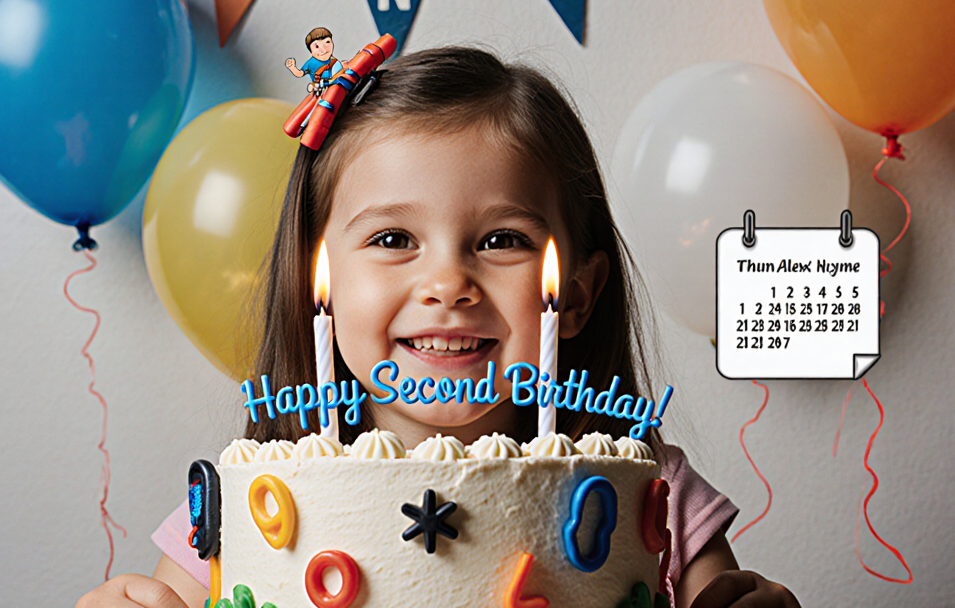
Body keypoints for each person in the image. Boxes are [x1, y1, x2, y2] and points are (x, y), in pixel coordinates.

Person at [77, 47, 801, 608]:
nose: (448, 284)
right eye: (393, 239)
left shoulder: (650, 486)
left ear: (577, 297)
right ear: (315, 285)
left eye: (501, 241)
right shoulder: (258, 493)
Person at [285, 27, 340, 95]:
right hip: (322, 90)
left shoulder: (333, 60)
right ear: (311, 50)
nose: (324, 49)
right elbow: (300, 73)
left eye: (327, 42)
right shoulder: (310, 63)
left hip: (338, 85)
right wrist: (292, 67)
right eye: (316, 46)